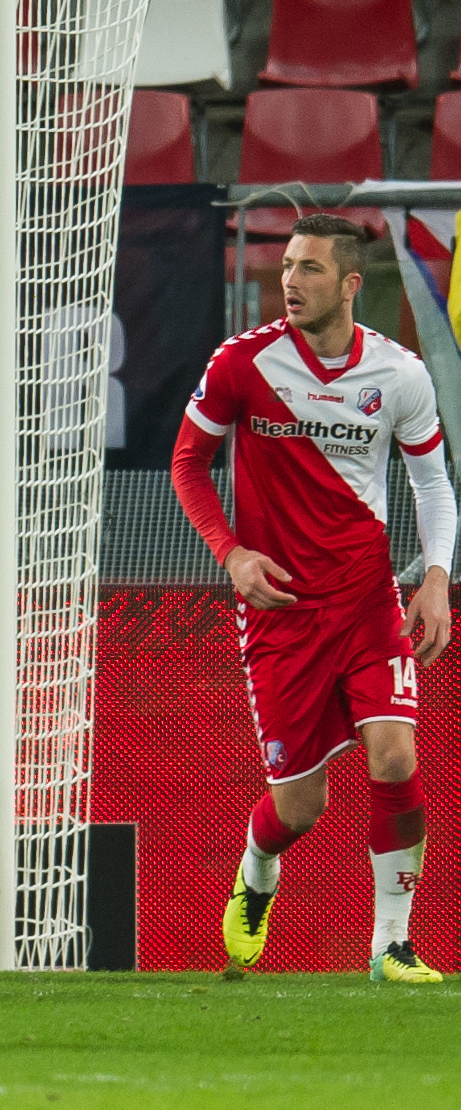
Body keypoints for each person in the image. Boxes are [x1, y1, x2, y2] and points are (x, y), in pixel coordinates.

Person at [171, 214, 456, 982]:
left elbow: (432, 484)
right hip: (280, 614)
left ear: (350, 283)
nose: (290, 281)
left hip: (366, 603)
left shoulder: (398, 374)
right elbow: (187, 463)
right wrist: (230, 554)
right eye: (287, 266)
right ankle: (256, 871)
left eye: (309, 269)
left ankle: (390, 946)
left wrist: (434, 578)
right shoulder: (242, 363)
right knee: (300, 808)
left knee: (394, 757)